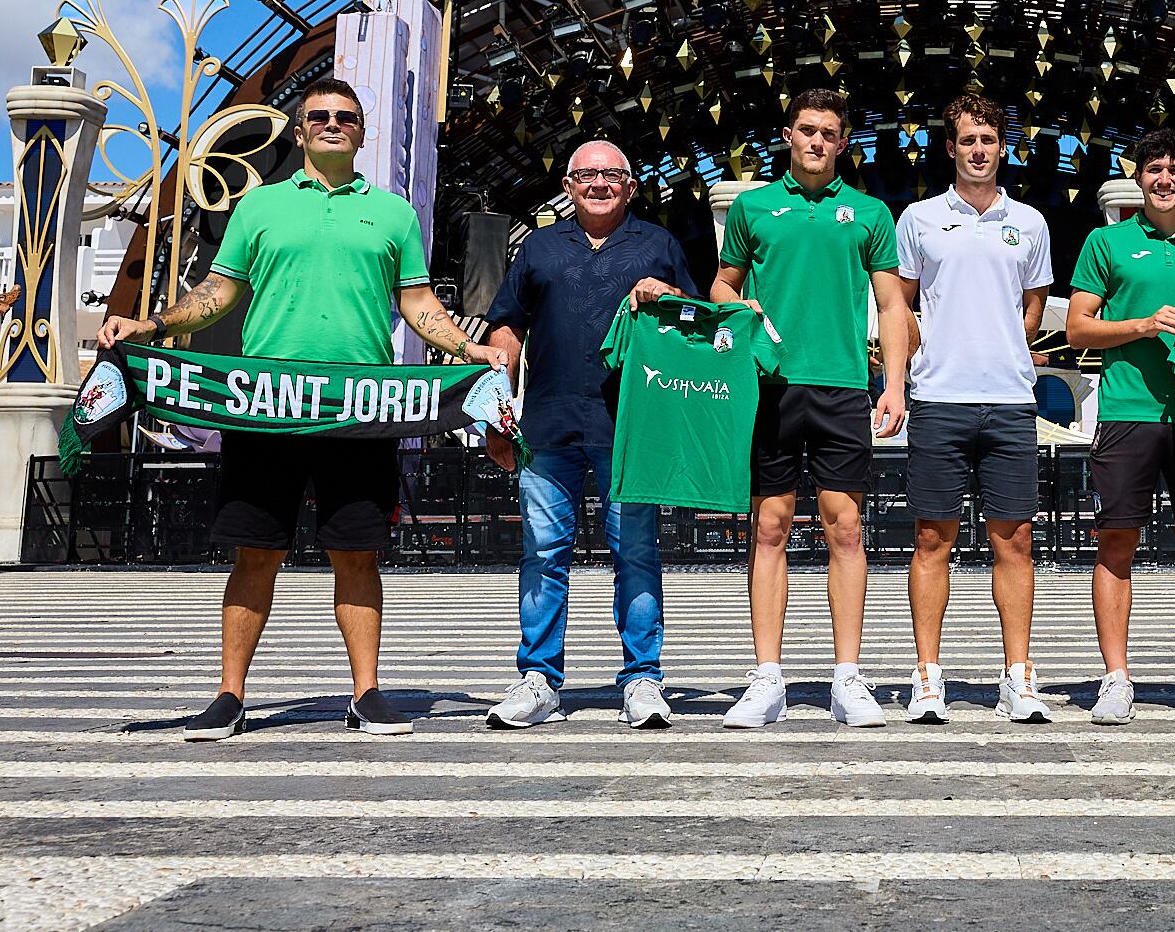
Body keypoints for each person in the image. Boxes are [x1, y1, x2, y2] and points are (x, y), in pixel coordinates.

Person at [97, 77, 506, 741]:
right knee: (254, 552)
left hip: (360, 409)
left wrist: (470, 347)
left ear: (362, 132)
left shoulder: (394, 213)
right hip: (267, 406)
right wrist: (154, 325)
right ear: (300, 130)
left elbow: (418, 304)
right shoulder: (258, 208)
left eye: (346, 116)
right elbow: (218, 293)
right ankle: (229, 696)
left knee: (358, 554)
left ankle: (367, 693)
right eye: (319, 115)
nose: (332, 124)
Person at [711, 89, 912, 727]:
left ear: (844, 142)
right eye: (807, 130)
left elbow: (890, 306)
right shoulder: (753, 207)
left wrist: (895, 383)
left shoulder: (870, 212)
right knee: (768, 528)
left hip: (843, 386)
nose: (818, 142)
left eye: (829, 132)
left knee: (844, 529)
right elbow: (724, 283)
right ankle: (766, 678)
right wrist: (734, 305)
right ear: (787, 136)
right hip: (771, 386)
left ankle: (847, 679)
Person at [481, 140, 696, 731]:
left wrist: (668, 295)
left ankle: (643, 680)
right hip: (547, 425)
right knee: (542, 554)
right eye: (586, 175)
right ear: (569, 185)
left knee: (636, 554)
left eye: (611, 175)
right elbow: (506, 330)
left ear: (631, 185)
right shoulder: (540, 247)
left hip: (633, 429)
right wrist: (496, 413)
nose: (598, 183)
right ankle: (539, 680)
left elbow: (697, 326)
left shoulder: (658, 245)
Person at [1066, 129, 1175, 724]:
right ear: (1137, 178)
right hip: (1127, 412)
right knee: (1117, 543)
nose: (1164, 179)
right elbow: (1078, 330)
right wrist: (1142, 326)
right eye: (1153, 169)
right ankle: (1116, 678)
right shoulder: (1105, 242)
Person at [895, 94, 1055, 723]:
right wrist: (911, 361)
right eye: (968, 140)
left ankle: (1018, 674)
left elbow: (1034, 301)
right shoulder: (920, 219)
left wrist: (1010, 346)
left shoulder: (1032, 223)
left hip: (1011, 401)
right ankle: (928, 676)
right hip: (939, 399)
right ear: (950, 147)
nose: (979, 150)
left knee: (1014, 540)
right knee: (932, 538)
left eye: (988, 138)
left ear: (1002, 145)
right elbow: (899, 301)